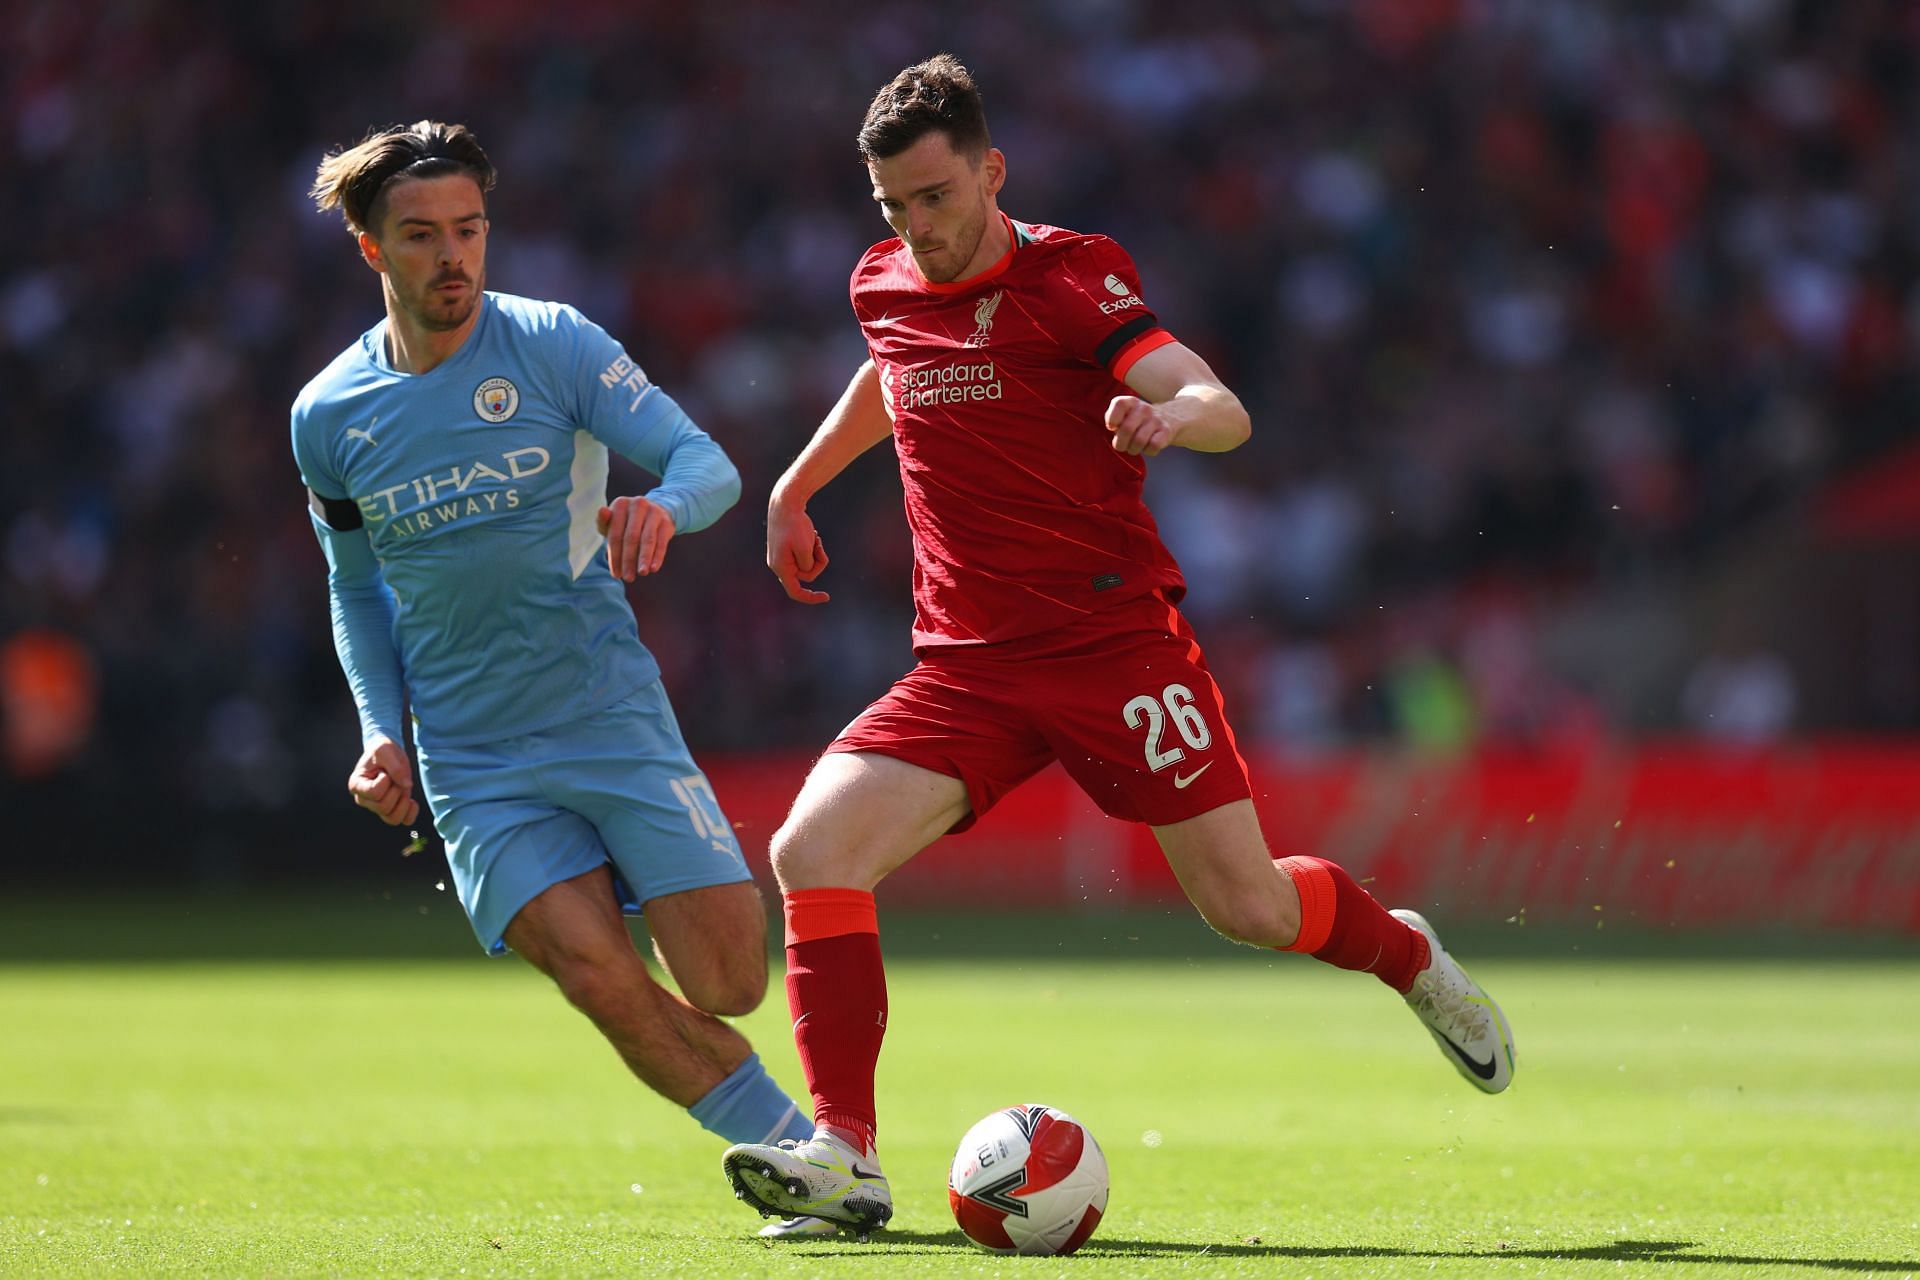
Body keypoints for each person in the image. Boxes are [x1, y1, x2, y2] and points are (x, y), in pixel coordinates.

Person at [720, 57, 1516, 1236]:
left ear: (992, 171)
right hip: (971, 662)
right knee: (812, 847)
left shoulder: (1073, 278)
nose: (916, 229)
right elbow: (894, 370)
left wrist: (1167, 416)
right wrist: (796, 484)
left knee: (1245, 905)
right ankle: (846, 1153)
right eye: (892, 206)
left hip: (1112, 645)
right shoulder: (882, 280)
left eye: (935, 197)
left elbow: (1219, 404)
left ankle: (1409, 954)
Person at [293, 120, 826, 1238]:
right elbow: (354, 589)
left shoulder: (555, 345)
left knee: (729, 979)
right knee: (596, 977)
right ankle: (801, 1157)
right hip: (473, 757)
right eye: (423, 235)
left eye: (471, 230)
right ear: (370, 250)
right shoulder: (329, 415)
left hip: (608, 714)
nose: (454, 256)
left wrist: (659, 507)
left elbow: (707, 465)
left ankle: (647, 889)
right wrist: (377, 730)